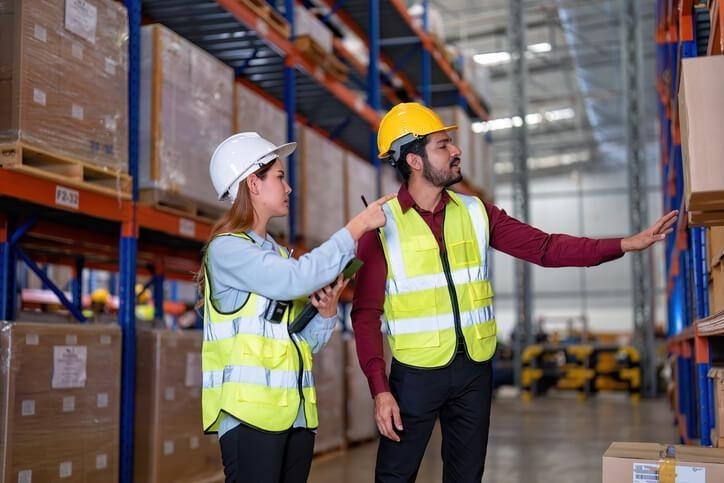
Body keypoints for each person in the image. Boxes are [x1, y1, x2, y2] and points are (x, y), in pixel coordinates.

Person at [350, 102, 678, 483]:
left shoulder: (476, 212)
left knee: (467, 476)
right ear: (415, 160)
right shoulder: (380, 225)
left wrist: (623, 244)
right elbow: (366, 313)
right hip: (415, 376)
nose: (456, 151)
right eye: (444, 145)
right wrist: (380, 389)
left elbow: (545, 248)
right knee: (394, 476)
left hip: (474, 370)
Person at [198, 131, 394, 483]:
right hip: (250, 417)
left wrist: (326, 312)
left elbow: (302, 343)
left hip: (296, 415)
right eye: (279, 177)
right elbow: (296, 279)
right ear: (252, 184)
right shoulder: (227, 250)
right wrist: (358, 226)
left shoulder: (276, 254)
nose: (288, 189)